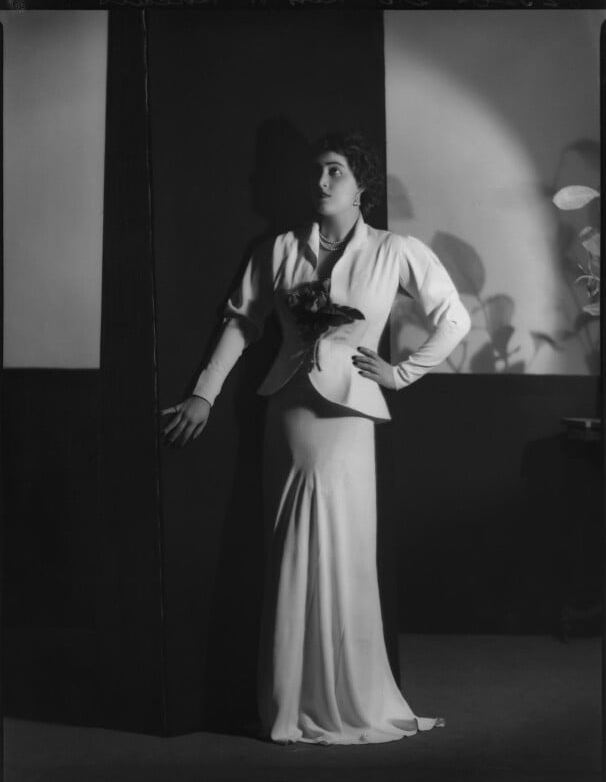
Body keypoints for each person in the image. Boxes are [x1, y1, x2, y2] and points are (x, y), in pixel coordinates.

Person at [160, 131, 471, 745]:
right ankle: (290, 703)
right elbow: (243, 321)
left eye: (335, 172)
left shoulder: (395, 250)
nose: (321, 182)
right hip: (289, 416)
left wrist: (401, 373)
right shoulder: (278, 249)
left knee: (344, 551)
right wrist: (204, 393)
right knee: (288, 549)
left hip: (349, 416)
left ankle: (348, 698)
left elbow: (454, 317)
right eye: (316, 173)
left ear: (362, 186)